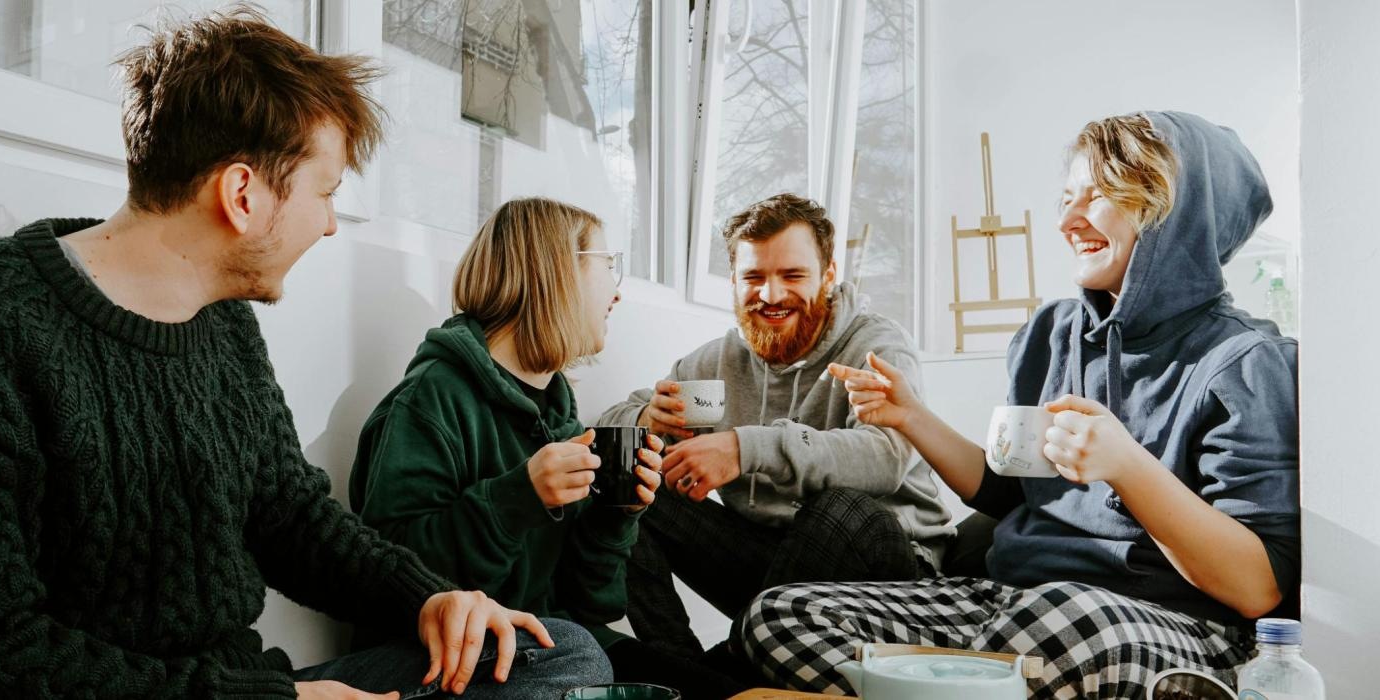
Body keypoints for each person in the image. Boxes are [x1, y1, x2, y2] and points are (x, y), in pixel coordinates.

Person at [0, 8, 608, 698]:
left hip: (244, 686)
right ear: (243, 195)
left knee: (556, 654)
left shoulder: (223, 325)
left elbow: (291, 518)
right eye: (326, 192)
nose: (331, 225)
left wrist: (430, 598)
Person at [740, 112, 1300, 699]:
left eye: (1100, 194)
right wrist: (912, 418)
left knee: (1065, 622)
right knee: (779, 616)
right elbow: (1012, 491)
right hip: (1009, 604)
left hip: (1162, 624)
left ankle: (945, 686)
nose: (1066, 220)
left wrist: (1128, 466)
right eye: (1065, 198)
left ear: (1176, 215)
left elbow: (1257, 587)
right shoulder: (1051, 333)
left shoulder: (1245, 362)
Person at [349, 198, 745, 698]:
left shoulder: (559, 414)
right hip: (453, 657)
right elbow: (389, 579)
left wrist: (613, 518)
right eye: (608, 266)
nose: (617, 294)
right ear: (556, 275)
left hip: (553, 641)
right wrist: (520, 497)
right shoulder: (429, 402)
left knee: (726, 692)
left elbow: (592, 607)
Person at [595, 194, 954, 667]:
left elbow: (885, 458)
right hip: (775, 567)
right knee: (632, 482)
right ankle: (680, 674)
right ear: (734, 283)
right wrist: (648, 421)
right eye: (754, 277)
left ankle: (726, 671)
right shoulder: (716, 362)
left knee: (841, 508)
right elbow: (608, 427)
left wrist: (747, 448)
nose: (770, 295)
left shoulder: (877, 344)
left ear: (828, 276)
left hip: (889, 572)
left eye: (792, 275)